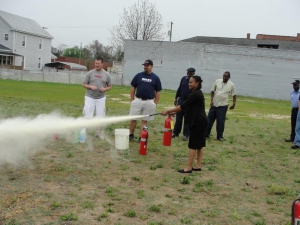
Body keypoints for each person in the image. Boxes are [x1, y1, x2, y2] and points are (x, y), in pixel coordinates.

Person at [162, 76, 208, 173]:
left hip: (198, 123)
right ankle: (198, 165)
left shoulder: (195, 94)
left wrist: (168, 111)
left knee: (193, 145)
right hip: (201, 121)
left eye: (191, 82)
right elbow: (188, 107)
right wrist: (175, 112)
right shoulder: (196, 93)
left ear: (197, 83)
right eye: (189, 82)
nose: (189, 84)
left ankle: (188, 168)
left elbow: (182, 106)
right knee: (200, 145)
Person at [129, 59, 162, 142]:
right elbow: (133, 87)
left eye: (147, 65)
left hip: (149, 101)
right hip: (138, 100)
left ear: (152, 66)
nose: (145, 67)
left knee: (144, 120)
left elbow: (158, 91)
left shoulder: (156, 78)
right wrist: (132, 100)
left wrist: (155, 103)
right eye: (144, 65)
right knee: (133, 118)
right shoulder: (138, 75)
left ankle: (141, 137)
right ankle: (131, 134)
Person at [82, 57, 112, 137]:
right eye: (96, 63)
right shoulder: (90, 73)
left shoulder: (107, 75)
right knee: (88, 115)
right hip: (90, 97)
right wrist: (91, 87)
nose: (97, 65)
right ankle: (84, 131)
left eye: (98, 63)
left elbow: (110, 86)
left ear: (102, 64)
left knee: (99, 116)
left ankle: (98, 132)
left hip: (101, 98)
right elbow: (84, 84)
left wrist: (104, 89)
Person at [206, 71, 236, 141]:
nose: (224, 78)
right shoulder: (217, 81)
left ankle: (219, 136)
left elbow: (234, 95)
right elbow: (212, 91)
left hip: (222, 105)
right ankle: (206, 134)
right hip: (214, 104)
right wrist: (211, 101)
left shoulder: (231, 85)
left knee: (220, 121)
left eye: (226, 77)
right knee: (209, 120)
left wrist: (234, 104)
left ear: (229, 77)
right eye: (223, 76)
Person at [172, 68, 195, 141]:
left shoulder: (194, 81)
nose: (188, 73)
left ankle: (186, 135)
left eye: (190, 72)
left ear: (193, 73)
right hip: (181, 99)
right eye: (188, 72)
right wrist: (176, 98)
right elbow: (179, 88)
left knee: (187, 119)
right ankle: (175, 133)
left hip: (189, 101)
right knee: (179, 117)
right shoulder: (183, 79)